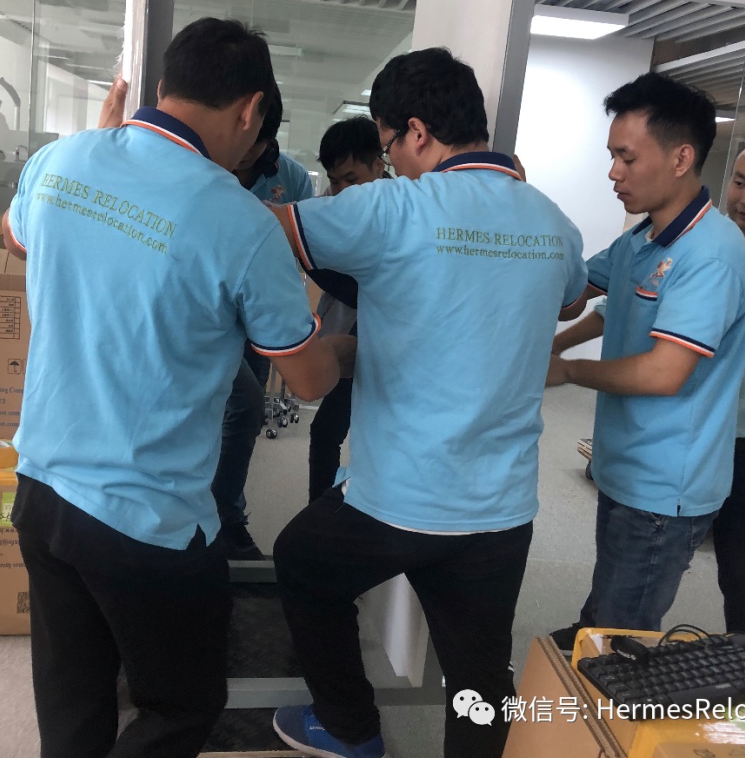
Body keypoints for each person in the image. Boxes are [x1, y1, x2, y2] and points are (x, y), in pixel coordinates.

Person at [1, 17, 349, 758]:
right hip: (146, 523)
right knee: (184, 704)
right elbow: (308, 377)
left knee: (74, 700)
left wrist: (93, 156)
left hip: (41, 491)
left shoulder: (62, 159)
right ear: (251, 110)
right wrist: (358, 346)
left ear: (163, 85)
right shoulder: (240, 222)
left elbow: (15, 236)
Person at [264, 47, 588, 758]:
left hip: (398, 500)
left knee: (301, 564)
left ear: (415, 131)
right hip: (500, 509)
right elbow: (567, 300)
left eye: (387, 147)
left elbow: (265, 230)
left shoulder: (392, 207)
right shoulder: (553, 221)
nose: (392, 163)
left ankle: (349, 728)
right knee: (478, 679)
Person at [554, 139, 745, 634]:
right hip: (689, 430)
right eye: (740, 182)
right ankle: (600, 628)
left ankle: (743, 645)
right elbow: (614, 304)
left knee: (744, 565)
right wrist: (554, 349)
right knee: (631, 561)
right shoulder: (684, 242)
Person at [546, 72, 745, 651]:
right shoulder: (642, 239)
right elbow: (578, 294)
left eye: (627, 157)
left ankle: (604, 669)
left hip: (666, 483)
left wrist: (566, 369)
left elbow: (666, 372)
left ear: (681, 158)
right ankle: (589, 638)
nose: (613, 172)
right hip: (625, 462)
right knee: (607, 597)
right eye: (612, 155)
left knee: (622, 637)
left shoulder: (711, 255)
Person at [212, 90, 315, 560]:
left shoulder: (290, 178)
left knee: (245, 416)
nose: (242, 153)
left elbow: (307, 247)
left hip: (261, 318)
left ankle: (226, 513)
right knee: (238, 405)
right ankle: (222, 518)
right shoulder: (207, 167)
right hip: (212, 316)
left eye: (254, 143)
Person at [306, 115, 388, 504]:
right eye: (334, 180)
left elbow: (369, 290)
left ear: (379, 166)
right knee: (325, 431)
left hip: (393, 337)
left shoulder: (404, 211)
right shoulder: (329, 205)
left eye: (351, 179)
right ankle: (316, 514)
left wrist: (311, 260)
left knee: (380, 435)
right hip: (351, 331)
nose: (341, 191)